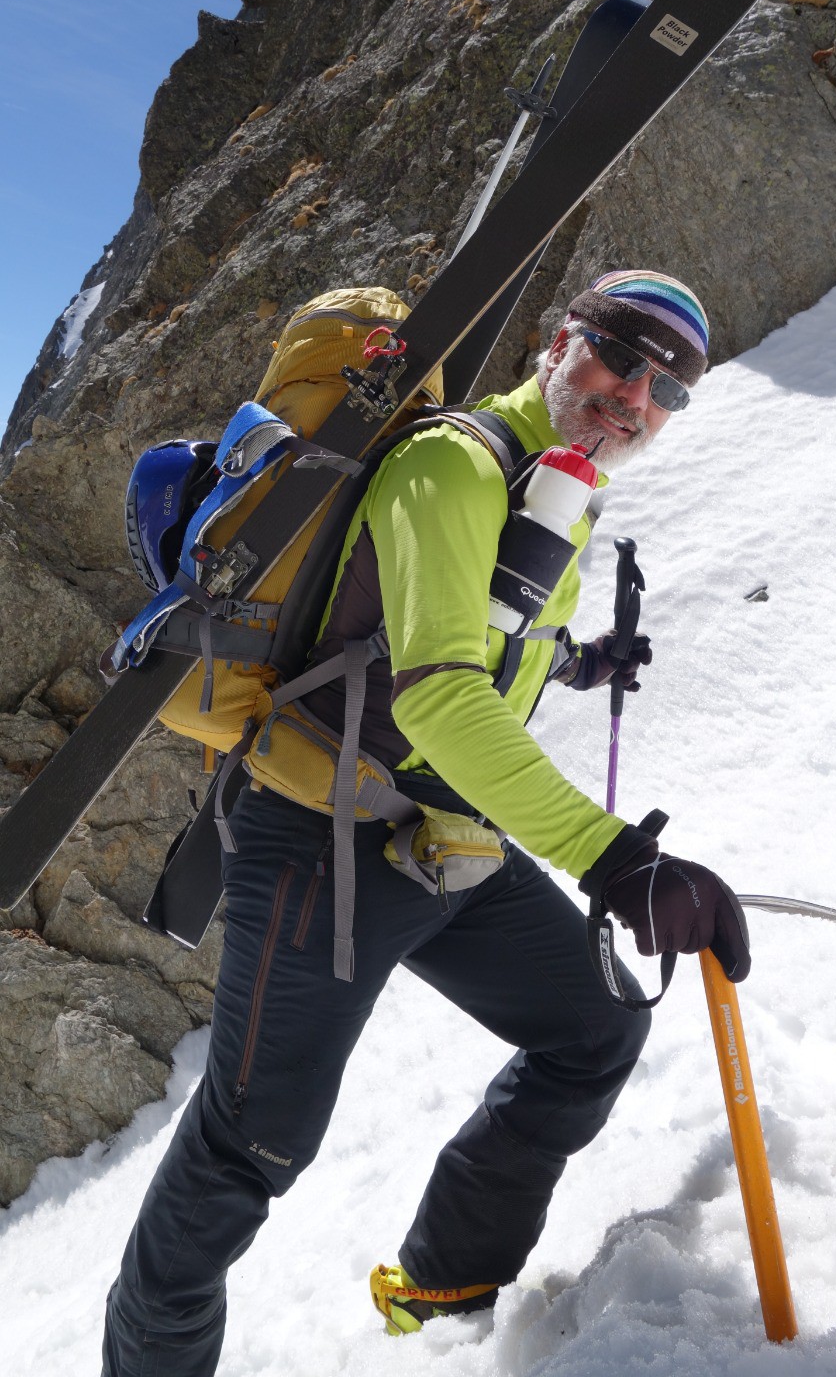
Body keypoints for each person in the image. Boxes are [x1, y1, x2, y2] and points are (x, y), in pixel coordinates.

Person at [101, 269, 750, 1374]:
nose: (635, 394)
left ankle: (443, 1289)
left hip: (441, 840)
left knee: (593, 1027)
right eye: (618, 356)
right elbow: (439, 695)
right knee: (245, 1151)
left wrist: (582, 659)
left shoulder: (562, 480)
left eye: (667, 388)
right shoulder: (454, 466)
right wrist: (616, 859)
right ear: (560, 340)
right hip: (319, 845)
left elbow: (477, 639)